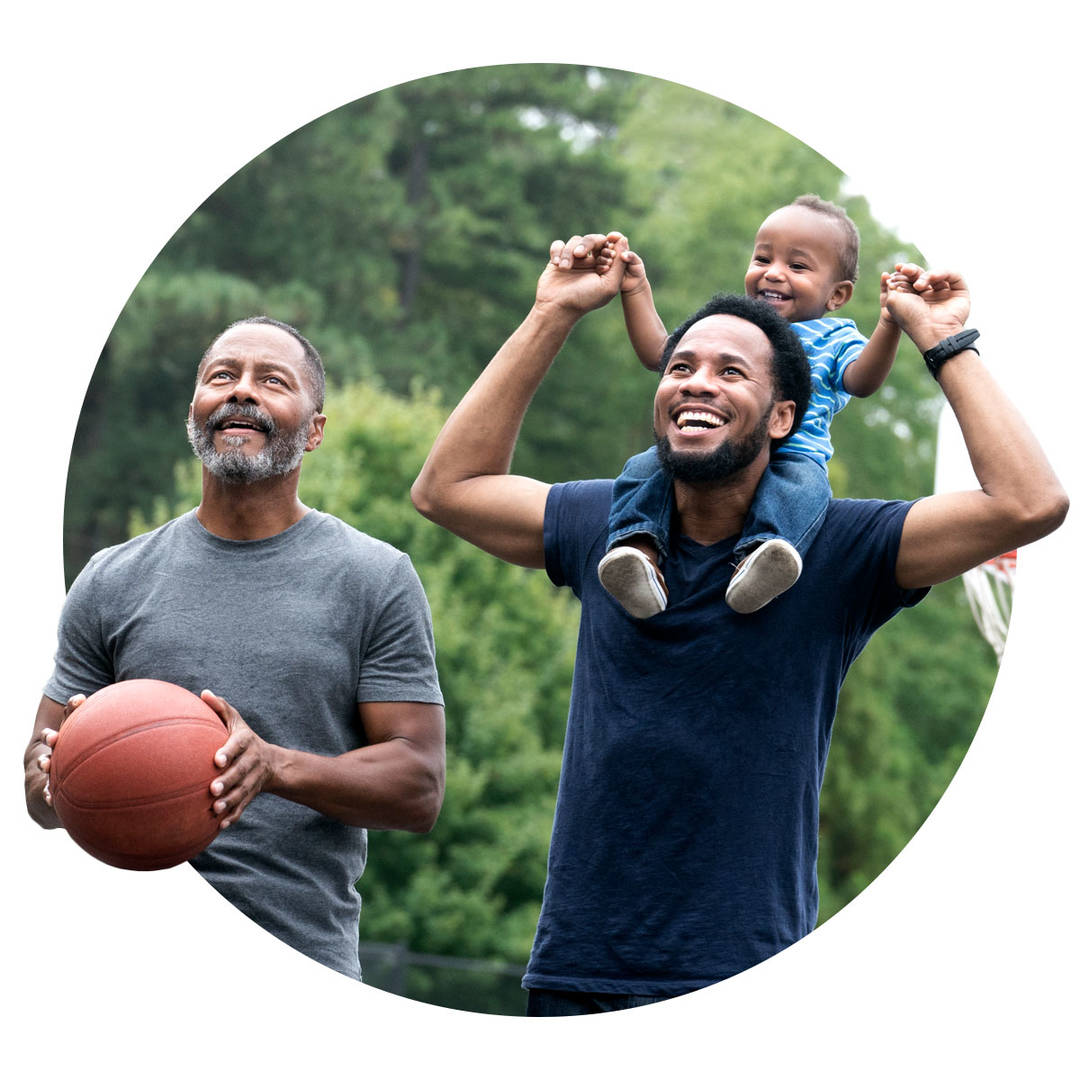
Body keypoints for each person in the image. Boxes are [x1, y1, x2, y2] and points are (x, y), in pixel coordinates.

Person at [410, 232, 1067, 1016]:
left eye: (730, 372)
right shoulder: (607, 525)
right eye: (682, 367)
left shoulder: (841, 548)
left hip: (749, 971)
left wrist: (943, 339)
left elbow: (1030, 504)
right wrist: (552, 311)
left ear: (785, 416)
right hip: (580, 965)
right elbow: (447, 488)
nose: (698, 384)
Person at [24, 316, 446, 980]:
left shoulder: (374, 578)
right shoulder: (111, 579)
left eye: (271, 381)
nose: (240, 392)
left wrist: (273, 767)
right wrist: (54, 774)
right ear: (194, 411)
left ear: (314, 430)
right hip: (126, 971)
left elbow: (418, 787)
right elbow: (39, 793)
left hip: (297, 962)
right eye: (222, 376)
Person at [597, 195, 903, 618]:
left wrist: (889, 324)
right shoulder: (731, 329)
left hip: (793, 456)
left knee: (804, 491)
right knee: (643, 469)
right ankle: (638, 551)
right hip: (713, 448)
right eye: (763, 258)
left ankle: (762, 560)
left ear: (838, 294)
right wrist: (635, 289)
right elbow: (659, 354)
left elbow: (863, 381)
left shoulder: (836, 339)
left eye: (797, 266)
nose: (773, 273)